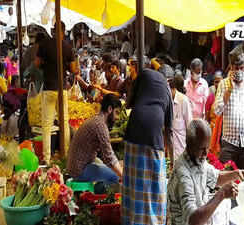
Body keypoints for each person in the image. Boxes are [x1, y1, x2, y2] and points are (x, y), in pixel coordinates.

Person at [167, 119, 244, 225]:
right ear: (189, 145)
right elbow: (193, 220)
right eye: (201, 149)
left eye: (207, 148)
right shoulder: (183, 174)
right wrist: (221, 194)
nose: (205, 153)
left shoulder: (197, 159)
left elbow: (215, 177)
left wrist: (237, 174)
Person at [122, 69, 174, 225]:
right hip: (152, 134)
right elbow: (169, 132)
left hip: (134, 126)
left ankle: (131, 219)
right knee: (154, 188)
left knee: (133, 183)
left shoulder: (145, 75)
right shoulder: (167, 91)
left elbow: (128, 102)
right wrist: (171, 162)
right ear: (169, 80)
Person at [35, 21, 78, 164]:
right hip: (62, 89)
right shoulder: (67, 47)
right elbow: (73, 69)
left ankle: (47, 158)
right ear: (64, 31)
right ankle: (65, 154)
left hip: (48, 89)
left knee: (46, 125)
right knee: (64, 122)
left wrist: (45, 66)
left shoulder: (44, 45)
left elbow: (37, 63)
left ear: (53, 30)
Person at [214, 51, 244, 169]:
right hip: (229, 143)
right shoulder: (223, 84)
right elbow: (216, 111)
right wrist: (225, 97)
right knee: (226, 180)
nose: (239, 71)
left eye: (241, 67)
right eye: (236, 68)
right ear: (231, 67)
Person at [66, 94, 123, 185]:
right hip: (79, 171)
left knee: (108, 167)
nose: (117, 118)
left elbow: (106, 156)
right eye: (116, 113)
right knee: (115, 176)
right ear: (109, 109)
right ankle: (101, 194)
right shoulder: (100, 125)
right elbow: (109, 157)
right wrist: (122, 175)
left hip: (76, 167)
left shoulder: (96, 120)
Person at [168, 75, 193, 162]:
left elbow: (190, 126)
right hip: (170, 153)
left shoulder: (183, 100)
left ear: (173, 88)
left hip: (182, 151)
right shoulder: (166, 101)